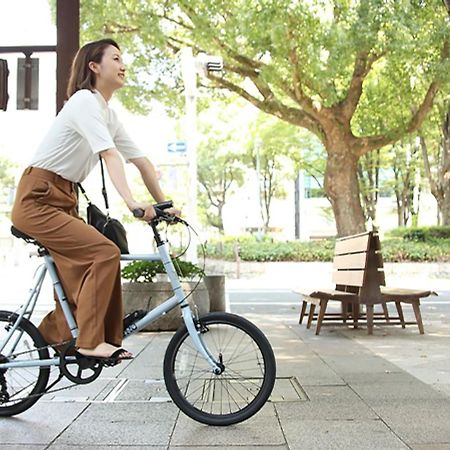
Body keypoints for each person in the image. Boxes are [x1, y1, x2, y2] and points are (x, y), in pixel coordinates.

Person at [11, 38, 180, 362]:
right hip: (39, 198)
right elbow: (109, 155)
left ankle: (59, 337)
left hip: (64, 200)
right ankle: (89, 342)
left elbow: (141, 162)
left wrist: (165, 205)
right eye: (115, 58)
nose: (123, 64)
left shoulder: (107, 113)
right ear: (94, 66)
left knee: (79, 283)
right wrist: (132, 203)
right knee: (105, 252)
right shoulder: (84, 102)